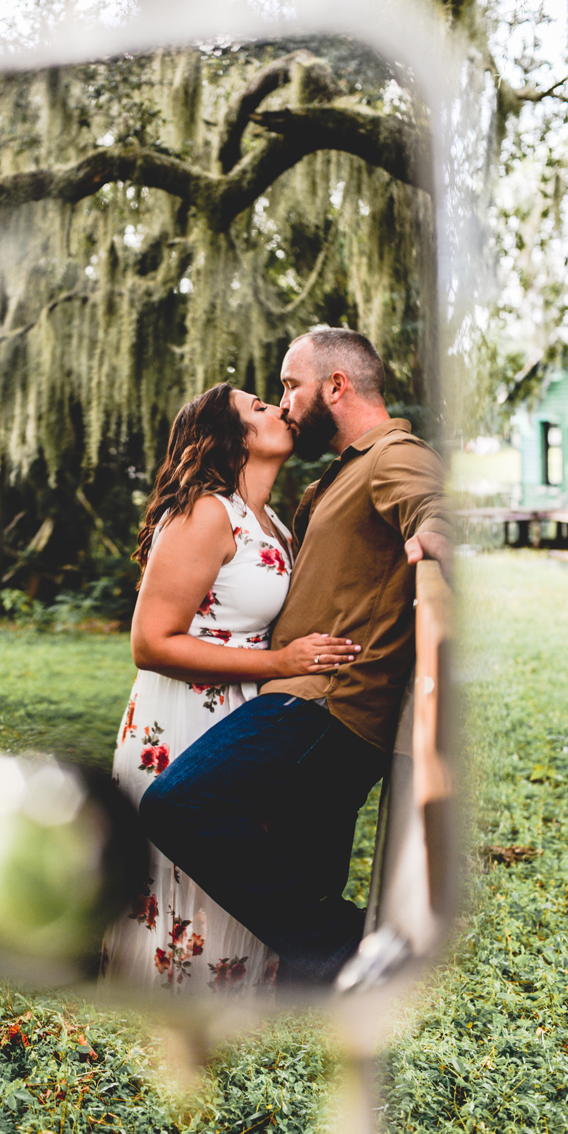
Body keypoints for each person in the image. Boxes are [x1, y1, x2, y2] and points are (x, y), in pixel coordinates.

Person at [139, 327, 451, 987]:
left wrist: (436, 536)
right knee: (298, 893)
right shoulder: (324, 485)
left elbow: (429, 501)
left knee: (178, 806)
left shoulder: (391, 454)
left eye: (289, 386)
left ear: (334, 387)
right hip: (300, 705)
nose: (283, 404)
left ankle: (348, 943)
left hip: (323, 706)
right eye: (272, 394)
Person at [99, 383, 359, 993]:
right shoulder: (205, 511)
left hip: (246, 718)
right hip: (187, 714)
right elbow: (151, 643)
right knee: (182, 882)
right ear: (230, 436)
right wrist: (281, 663)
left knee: (236, 872)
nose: (278, 408)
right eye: (258, 408)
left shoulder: (272, 522)